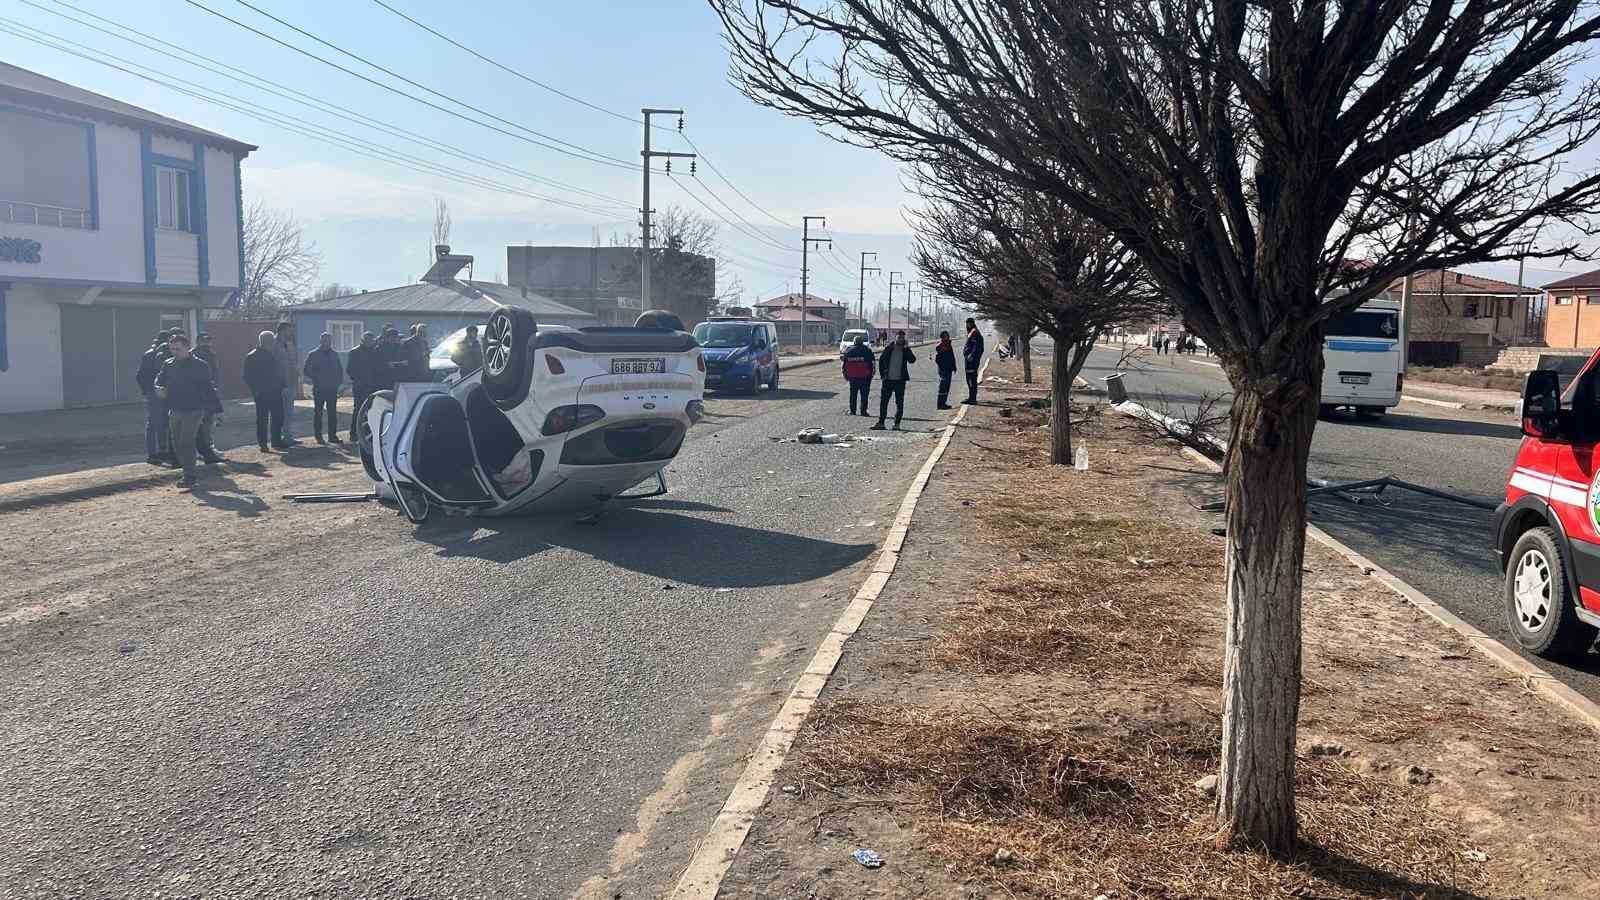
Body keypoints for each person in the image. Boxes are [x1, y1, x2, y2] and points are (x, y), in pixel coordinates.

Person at [154, 334, 217, 489]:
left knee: (186, 442)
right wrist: (158, 388)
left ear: (187, 347)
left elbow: (208, 388)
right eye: (172, 349)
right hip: (174, 409)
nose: (174, 352)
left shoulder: (200, 365)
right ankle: (188, 471)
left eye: (178, 349)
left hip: (194, 409)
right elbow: (159, 379)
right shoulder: (168, 364)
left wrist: (216, 410)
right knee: (177, 445)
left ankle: (190, 477)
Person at [244, 330, 288, 451]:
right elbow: (248, 377)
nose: (274, 342)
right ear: (267, 341)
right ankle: (263, 444)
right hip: (262, 393)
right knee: (262, 419)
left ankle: (276, 441)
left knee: (278, 416)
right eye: (272, 341)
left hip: (275, 391)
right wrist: (256, 391)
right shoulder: (253, 356)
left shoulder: (271, 354)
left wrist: (282, 385)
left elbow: (277, 373)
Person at [137, 330, 173, 466]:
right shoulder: (161, 354)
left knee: (155, 423)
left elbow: (140, 376)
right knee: (159, 423)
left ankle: (155, 453)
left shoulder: (149, 354)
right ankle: (159, 452)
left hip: (153, 393)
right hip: (159, 392)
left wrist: (146, 392)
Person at [303, 332, 345, 445]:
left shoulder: (334, 354)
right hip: (319, 388)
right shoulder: (313, 354)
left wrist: (339, 384)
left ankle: (332, 436)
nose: (327, 343)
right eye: (325, 340)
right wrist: (317, 377)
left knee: (332, 413)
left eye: (329, 341)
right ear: (321, 341)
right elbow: (306, 370)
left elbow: (340, 371)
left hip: (332, 388)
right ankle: (318, 436)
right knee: (318, 412)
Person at [872, 330, 916, 431]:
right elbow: (881, 362)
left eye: (902, 337)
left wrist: (907, 348)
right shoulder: (889, 348)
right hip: (888, 380)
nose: (900, 339)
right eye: (899, 337)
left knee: (899, 403)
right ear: (895, 337)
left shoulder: (905, 350)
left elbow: (912, 360)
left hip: (900, 381)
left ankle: (897, 424)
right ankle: (881, 422)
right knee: (884, 402)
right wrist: (883, 375)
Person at [346, 331, 379, 442]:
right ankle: (354, 433)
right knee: (358, 410)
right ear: (363, 340)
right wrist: (359, 379)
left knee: (371, 410)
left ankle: (367, 433)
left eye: (371, 340)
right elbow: (350, 370)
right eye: (368, 340)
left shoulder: (374, 352)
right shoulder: (355, 352)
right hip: (360, 386)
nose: (370, 342)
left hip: (372, 386)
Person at [275, 322, 298, 443]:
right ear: (283, 330)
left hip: (290, 382)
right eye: (289, 330)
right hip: (279, 384)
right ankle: (278, 438)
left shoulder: (289, 344)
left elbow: (293, 361)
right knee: (279, 412)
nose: (291, 333)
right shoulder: (273, 344)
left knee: (289, 412)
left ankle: (288, 436)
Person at [841, 334, 875, 415]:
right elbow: (872, 363)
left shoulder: (848, 350)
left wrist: (845, 374)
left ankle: (853, 411)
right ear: (862, 342)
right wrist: (871, 374)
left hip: (852, 377)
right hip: (865, 377)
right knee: (864, 395)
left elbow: (844, 365)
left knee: (853, 394)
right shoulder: (867, 350)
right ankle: (863, 411)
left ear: (854, 342)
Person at [962, 317, 984, 405]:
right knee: (970, 378)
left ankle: (972, 398)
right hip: (969, 360)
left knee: (971, 379)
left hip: (971, 361)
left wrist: (971, 355)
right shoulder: (972, 332)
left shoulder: (974, 332)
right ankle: (971, 397)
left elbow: (977, 347)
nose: (967, 325)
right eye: (966, 323)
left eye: (968, 323)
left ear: (971, 323)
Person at [934, 330, 957, 410]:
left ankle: (943, 403)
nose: (946, 337)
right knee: (943, 387)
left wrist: (954, 366)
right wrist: (942, 368)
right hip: (944, 370)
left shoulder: (948, 345)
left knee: (947, 386)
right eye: (945, 336)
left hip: (949, 369)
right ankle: (940, 404)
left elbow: (951, 357)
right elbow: (938, 359)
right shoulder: (940, 346)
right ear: (942, 337)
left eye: (947, 336)